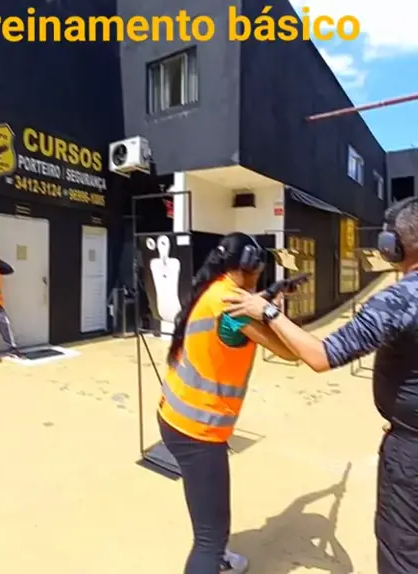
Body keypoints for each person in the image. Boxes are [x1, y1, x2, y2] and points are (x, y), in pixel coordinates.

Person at [222, 197, 418, 574]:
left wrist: (267, 311)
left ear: (392, 247)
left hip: (410, 457)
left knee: (403, 555)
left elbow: (321, 355)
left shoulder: (399, 299)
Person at [158, 232, 298, 574]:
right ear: (250, 265)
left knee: (208, 519)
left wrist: (270, 294)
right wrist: (272, 312)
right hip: (199, 432)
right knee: (209, 539)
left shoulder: (215, 289)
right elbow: (290, 351)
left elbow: (235, 310)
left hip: (176, 416)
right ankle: (214, 559)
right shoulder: (234, 306)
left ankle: (219, 557)